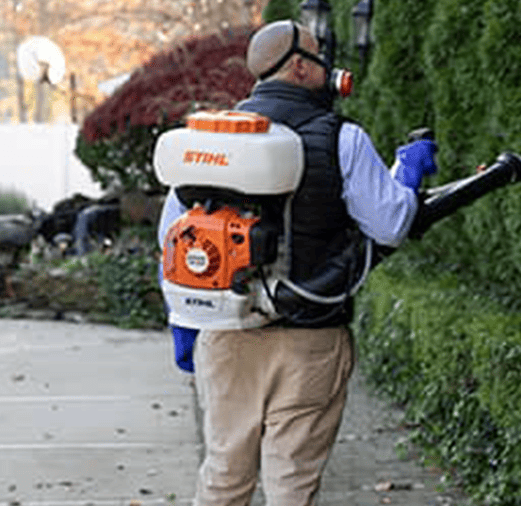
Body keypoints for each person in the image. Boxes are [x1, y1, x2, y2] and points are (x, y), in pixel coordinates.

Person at [157, 19, 437, 506]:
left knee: (224, 475)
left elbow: (172, 244)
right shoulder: (341, 138)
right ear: (302, 68)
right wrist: (407, 174)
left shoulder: (209, 140)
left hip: (226, 336)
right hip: (311, 337)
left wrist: (183, 321)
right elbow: (391, 225)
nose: (329, 63)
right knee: (291, 483)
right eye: (318, 52)